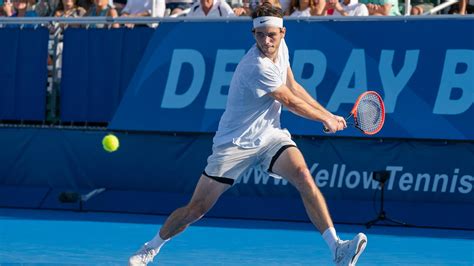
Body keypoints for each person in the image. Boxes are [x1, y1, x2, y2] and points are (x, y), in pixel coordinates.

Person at [129, 3, 367, 266]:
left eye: (272, 35)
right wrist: (324, 118)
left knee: (303, 175)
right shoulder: (256, 66)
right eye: (260, 34)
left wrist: (329, 115)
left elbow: (293, 86)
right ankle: (151, 247)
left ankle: (337, 248)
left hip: (270, 136)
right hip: (234, 143)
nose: (266, 40)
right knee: (196, 209)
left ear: (283, 33)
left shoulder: (283, 50)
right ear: (253, 34)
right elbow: (289, 101)